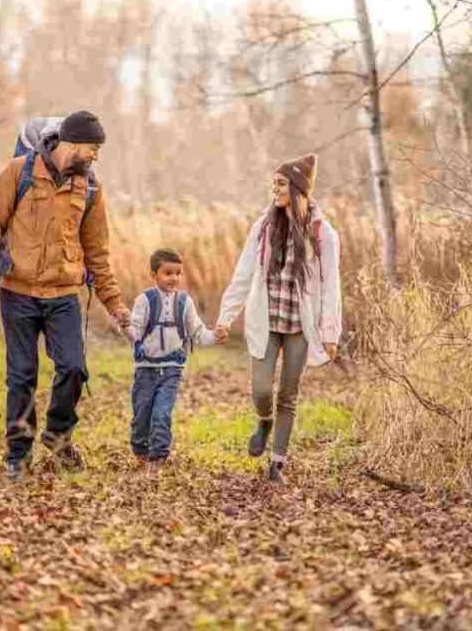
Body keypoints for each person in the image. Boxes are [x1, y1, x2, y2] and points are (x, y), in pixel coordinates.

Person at [0, 110, 131, 481]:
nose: (95, 157)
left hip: (64, 294)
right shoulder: (19, 172)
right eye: (92, 149)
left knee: (74, 367)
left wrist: (115, 304)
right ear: (70, 143)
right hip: (18, 292)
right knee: (21, 376)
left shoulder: (89, 188)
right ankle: (18, 456)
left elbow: (98, 253)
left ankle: (58, 437)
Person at [215, 153, 342, 485]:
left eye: (281, 183)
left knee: (288, 393)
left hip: (301, 325)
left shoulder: (322, 233)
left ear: (299, 188)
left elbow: (331, 285)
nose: (275, 189)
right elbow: (243, 273)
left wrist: (330, 333)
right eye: (273, 183)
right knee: (260, 389)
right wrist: (226, 317)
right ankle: (264, 420)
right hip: (266, 319)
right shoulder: (264, 227)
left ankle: (277, 464)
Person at [126, 249, 218, 467]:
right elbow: (135, 332)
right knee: (142, 415)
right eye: (167, 273)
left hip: (172, 369)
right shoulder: (144, 300)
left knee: (161, 414)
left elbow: (197, 331)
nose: (174, 278)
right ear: (154, 274)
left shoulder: (185, 302)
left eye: (178, 273)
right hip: (145, 369)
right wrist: (124, 325)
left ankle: (158, 457)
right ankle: (140, 451)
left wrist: (215, 336)